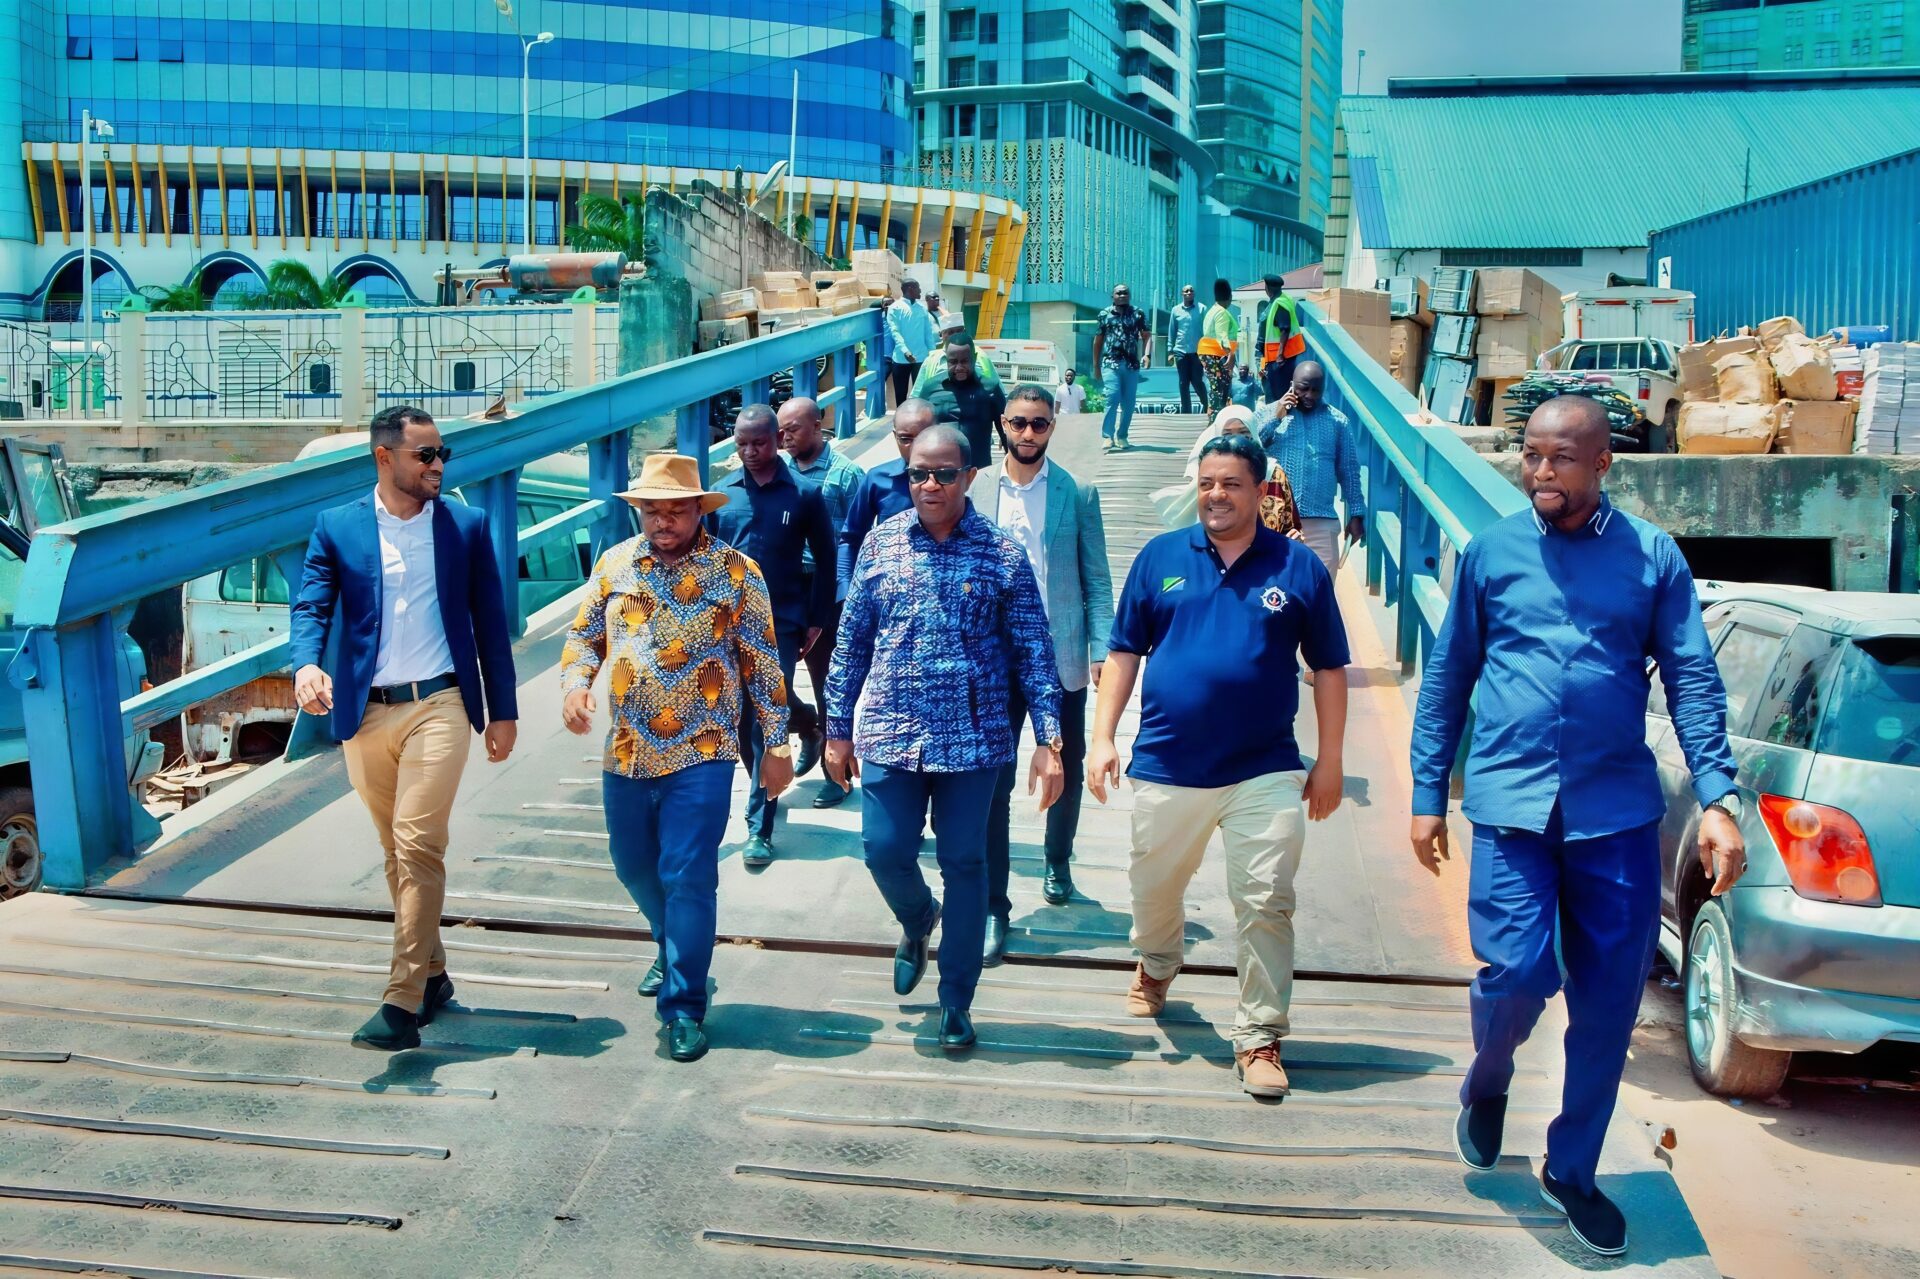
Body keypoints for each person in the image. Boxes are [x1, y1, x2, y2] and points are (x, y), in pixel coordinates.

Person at [1409, 395, 1745, 1259]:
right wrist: (1425, 788)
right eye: (1530, 455)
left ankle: (1573, 1168)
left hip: (1615, 812)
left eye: (1561, 458)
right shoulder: (1491, 553)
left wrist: (1717, 794)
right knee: (1516, 971)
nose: (1540, 472)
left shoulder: (1653, 559)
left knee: (1608, 1003)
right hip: (1513, 806)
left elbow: (1693, 677)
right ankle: (1489, 1078)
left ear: (1603, 464)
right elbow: (1449, 676)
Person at [1089, 431, 1349, 1100]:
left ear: (1261, 492)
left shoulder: (1298, 568)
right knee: (1153, 887)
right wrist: (1102, 737)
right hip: (1170, 763)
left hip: (1263, 768)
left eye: (1231, 483)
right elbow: (1123, 653)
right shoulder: (1160, 557)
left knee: (1266, 900)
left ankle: (1259, 1034)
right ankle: (1157, 959)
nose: (1215, 495)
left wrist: (1331, 762)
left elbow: (1328, 670)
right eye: (1207, 482)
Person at [824, 424, 1065, 1051]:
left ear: (970, 476)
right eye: (918, 475)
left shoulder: (1001, 554)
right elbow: (850, 642)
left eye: (944, 474)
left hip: (974, 741)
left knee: (966, 866)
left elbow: (1035, 650)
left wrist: (1050, 737)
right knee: (884, 851)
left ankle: (956, 999)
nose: (930, 485)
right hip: (889, 733)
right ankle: (916, 919)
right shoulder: (881, 545)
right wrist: (836, 729)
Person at [290, 405, 519, 1052]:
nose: (439, 464)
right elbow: (311, 604)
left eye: (443, 453)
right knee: (396, 852)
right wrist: (307, 663)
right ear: (384, 457)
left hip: (441, 704)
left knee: (419, 844)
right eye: (425, 455)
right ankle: (435, 970)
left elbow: (490, 624)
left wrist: (502, 710)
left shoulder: (467, 527)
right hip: (367, 713)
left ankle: (401, 999)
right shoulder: (337, 527)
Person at [560, 452, 794, 1064]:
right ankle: (671, 943)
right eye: (652, 511)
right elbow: (585, 637)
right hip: (628, 749)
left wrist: (776, 744)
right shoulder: (615, 564)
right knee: (632, 865)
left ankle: (685, 1004)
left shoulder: (737, 572)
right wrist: (575, 686)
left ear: (698, 510)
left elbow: (764, 663)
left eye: (675, 510)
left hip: (706, 751)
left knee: (688, 875)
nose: (663, 521)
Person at [966, 385, 1114, 965]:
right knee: (993, 781)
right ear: (1002, 424)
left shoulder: (1077, 493)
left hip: (1061, 654)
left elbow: (1096, 579)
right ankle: (993, 907)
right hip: (993, 661)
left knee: (1067, 766)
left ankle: (1057, 863)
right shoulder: (974, 488)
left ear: (1054, 427)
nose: (1028, 434)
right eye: (1019, 423)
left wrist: (1102, 648)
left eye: (1040, 424)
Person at [707, 405, 835, 868]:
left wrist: (816, 618)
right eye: (741, 444)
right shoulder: (721, 498)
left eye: (758, 443)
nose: (749, 452)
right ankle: (801, 738)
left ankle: (759, 824)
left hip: (781, 623)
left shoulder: (804, 494)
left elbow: (826, 557)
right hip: (728, 626)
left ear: (777, 440)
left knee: (766, 718)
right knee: (741, 720)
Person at [822, 399, 934, 807]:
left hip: (936, 607)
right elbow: (850, 536)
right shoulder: (878, 480)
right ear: (895, 439)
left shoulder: (949, 480)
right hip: (880, 604)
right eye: (906, 439)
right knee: (857, 679)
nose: (915, 446)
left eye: (923, 436)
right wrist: (848, 589)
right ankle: (840, 772)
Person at [779, 396, 864, 781]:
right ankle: (807, 726)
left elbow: (863, 536)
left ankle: (835, 776)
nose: (785, 438)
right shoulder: (778, 471)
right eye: (779, 431)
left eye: (793, 429)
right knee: (771, 678)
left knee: (827, 680)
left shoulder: (847, 475)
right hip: (784, 585)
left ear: (818, 424)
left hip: (826, 587)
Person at [1253, 361, 1366, 580]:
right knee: (1274, 588)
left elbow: (1349, 470)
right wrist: (1277, 417)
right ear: (1291, 384)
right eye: (1303, 388)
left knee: (1321, 589)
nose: (1309, 395)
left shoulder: (1337, 421)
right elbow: (1252, 451)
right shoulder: (1268, 414)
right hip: (1275, 519)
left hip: (1321, 521)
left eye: (1316, 389)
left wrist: (1357, 513)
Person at [1166, 405, 1301, 538]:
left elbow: (1291, 525)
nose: (1236, 443)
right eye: (1227, 436)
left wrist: (1291, 543)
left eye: (1244, 435)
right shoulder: (1206, 478)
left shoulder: (1273, 473)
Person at [922, 332, 1007, 473]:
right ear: (946, 360)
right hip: (941, 474)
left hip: (978, 472)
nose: (959, 367)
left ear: (974, 358)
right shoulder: (931, 387)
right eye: (953, 362)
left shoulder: (990, 388)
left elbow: (1006, 431)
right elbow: (917, 429)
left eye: (965, 361)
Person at [1092, 283, 1150, 451]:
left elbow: (1146, 336)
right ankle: (1108, 436)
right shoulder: (1104, 314)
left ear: (1129, 295)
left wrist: (1147, 354)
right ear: (1113, 296)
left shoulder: (1138, 314)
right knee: (1112, 397)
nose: (1123, 296)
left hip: (1132, 365)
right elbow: (1098, 341)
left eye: (1125, 293)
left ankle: (1122, 435)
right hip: (1110, 363)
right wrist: (1096, 366)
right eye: (1119, 293)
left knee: (1129, 403)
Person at [885, 279, 937, 407]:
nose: (920, 291)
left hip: (921, 359)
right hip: (901, 359)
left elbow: (928, 334)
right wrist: (905, 351)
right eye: (918, 288)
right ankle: (900, 423)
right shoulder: (895, 308)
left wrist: (933, 354)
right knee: (901, 395)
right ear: (910, 289)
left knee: (921, 394)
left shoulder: (922, 309)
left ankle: (920, 421)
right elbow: (895, 332)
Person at [1258, 274, 1304, 403]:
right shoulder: (1282, 299)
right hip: (1279, 357)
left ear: (1267, 288)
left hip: (1280, 359)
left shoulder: (1279, 303)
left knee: (1277, 395)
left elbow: (1285, 328)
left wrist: (1279, 354)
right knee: (1277, 392)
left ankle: (1279, 420)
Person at [1198, 279, 1240, 415]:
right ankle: (1218, 421)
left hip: (1209, 354)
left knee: (1215, 388)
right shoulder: (1222, 313)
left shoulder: (1211, 311)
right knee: (1221, 390)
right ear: (1229, 297)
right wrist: (1231, 354)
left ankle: (1215, 418)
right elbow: (1222, 336)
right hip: (1218, 356)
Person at [1168, 283, 1206, 416]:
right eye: (1186, 291)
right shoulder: (1175, 310)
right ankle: (1186, 412)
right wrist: (1170, 351)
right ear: (1182, 294)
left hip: (1197, 352)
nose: (1189, 293)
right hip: (1180, 350)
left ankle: (1207, 407)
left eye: (1191, 291)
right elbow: (1172, 331)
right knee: (1183, 382)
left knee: (1197, 380)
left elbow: (1206, 331)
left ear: (1194, 294)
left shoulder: (1202, 309)